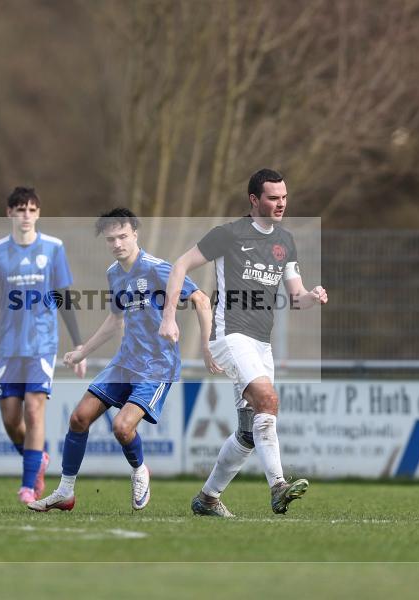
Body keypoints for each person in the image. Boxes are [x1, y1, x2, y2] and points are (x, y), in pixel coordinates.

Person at [159, 168, 328, 517]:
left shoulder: (286, 241)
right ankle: (278, 487)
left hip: (261, 343)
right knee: (267, 399)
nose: (280, 203)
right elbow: (180, 265)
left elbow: (295, 297)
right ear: (254, 200)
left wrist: (312, 295)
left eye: (283, 197)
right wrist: (168, 316)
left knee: (249, 432)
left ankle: (207, 499)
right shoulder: (228, 234)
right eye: (272, 198)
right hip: (230, 333)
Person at [28, 208, 217, 512]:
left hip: (157, 367)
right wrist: (82, 351)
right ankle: (65, 491)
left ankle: (140, 470)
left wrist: (208, 346)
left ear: (135, 234)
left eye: (123, 236)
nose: (117, 243)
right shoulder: (114, 273)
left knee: (122, 427)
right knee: (78, 418)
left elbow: (201, 299)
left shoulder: (157, 268)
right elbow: (116, 321)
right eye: (111, 239)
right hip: (124, 363)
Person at [0, 186, 86, 505]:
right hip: (9, 348)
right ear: (9, 213)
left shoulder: (52, 248)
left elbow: (64, 297)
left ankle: (28, 486)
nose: (26, 216)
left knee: (35, 410)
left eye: (32, 210)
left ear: (38, 214)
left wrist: (79, 346)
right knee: (10, 418)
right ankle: (38, 461)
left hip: (42, 345)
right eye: (20, 209)